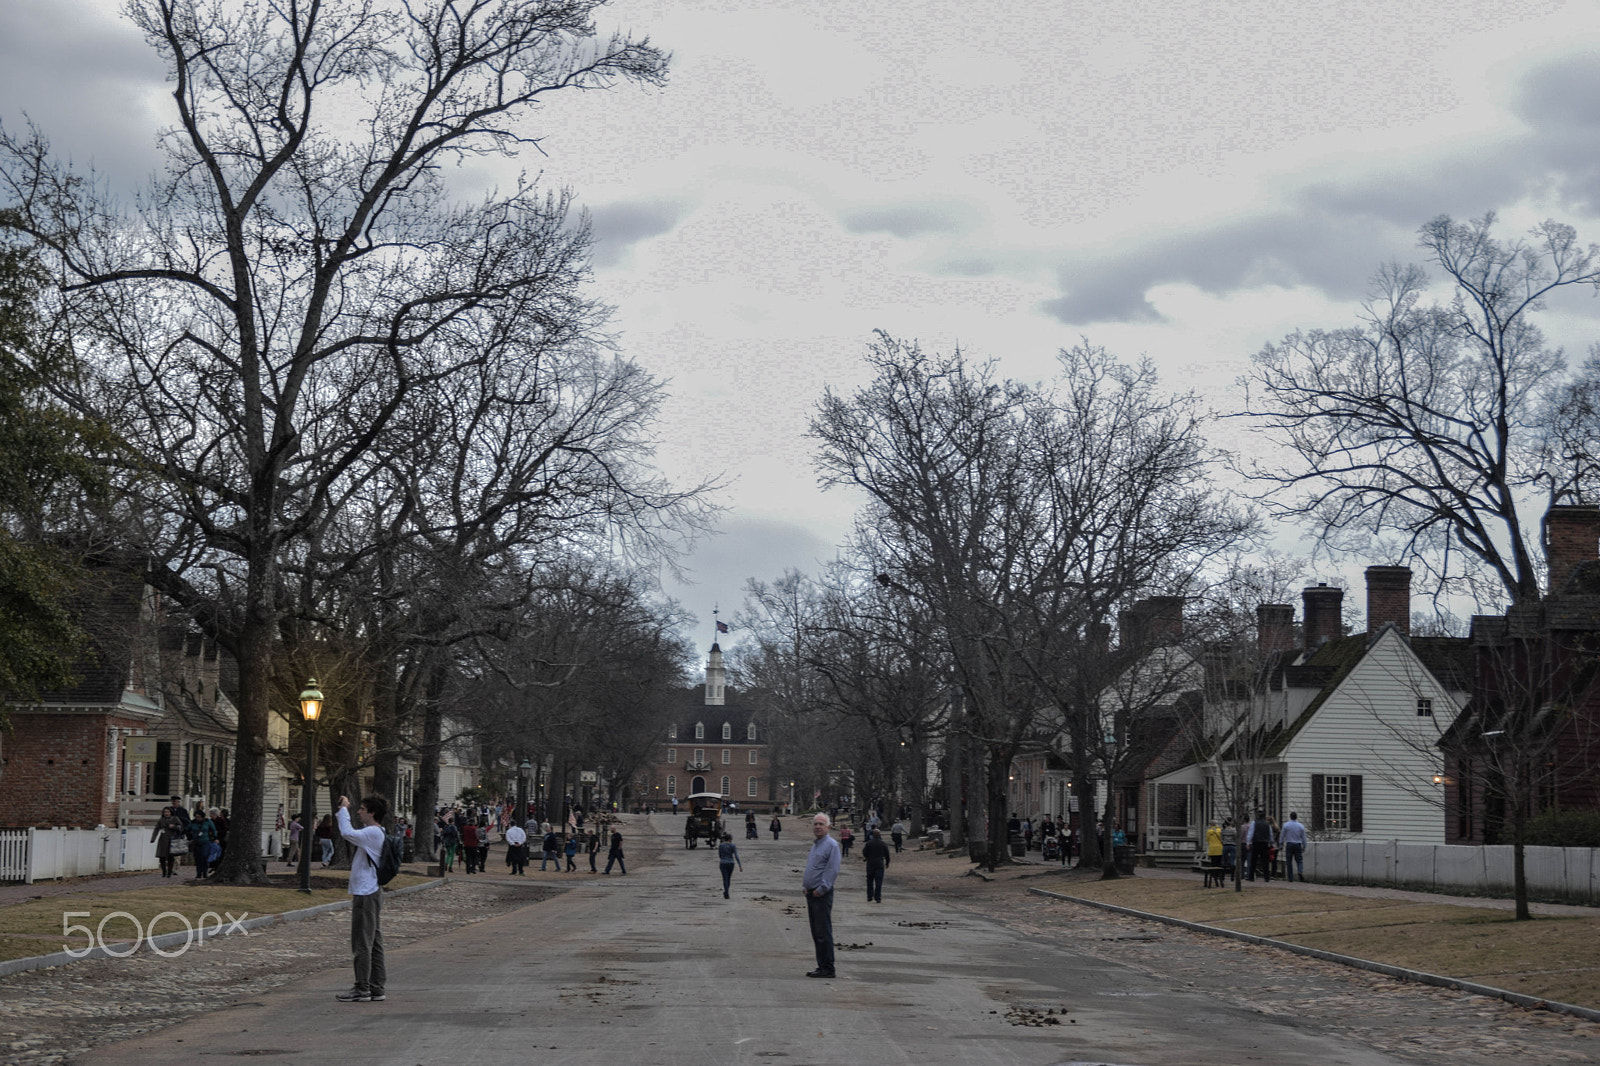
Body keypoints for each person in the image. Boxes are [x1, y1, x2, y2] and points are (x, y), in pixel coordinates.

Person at [335, 794, 388, 1003]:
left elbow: (346, 833)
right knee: (373, 940)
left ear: (372, 813)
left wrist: (343, 809)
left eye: (363, 809)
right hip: (370, 890)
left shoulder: (373, 832)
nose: (359, 812)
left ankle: (362, 987)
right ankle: (376, 986)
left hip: (366, 892)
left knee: (362, 941)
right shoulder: (376, 833)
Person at [801, 813, 841, 978]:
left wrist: (821, 889)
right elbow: (813, 867)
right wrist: (806, 886)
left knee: (823, 932)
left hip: (820, 895)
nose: (818, 827)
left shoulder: (832, 846)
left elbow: (832, 870)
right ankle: (821, 965)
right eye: (816, 824)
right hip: (811, 893)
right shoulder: (816, 845)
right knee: (816, 932)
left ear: (828, 827)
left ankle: (828, 968)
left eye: (821, 824)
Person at [152, 806, 184, 878]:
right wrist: (153, 838)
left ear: (170, 813)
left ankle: (170, 872)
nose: (166, 813)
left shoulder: (175, 819)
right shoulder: (161, 820)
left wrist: (173, 827)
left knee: (170, 857)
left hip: (171, 840)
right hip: (163, 839)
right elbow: (156, 829)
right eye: (165, 812)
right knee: (162, 857)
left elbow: (181, 827)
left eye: (168, 812)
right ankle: (164, 871)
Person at [1246, 808, 1275, 882]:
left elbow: (1250, 833)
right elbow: (1270, 834)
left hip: (1256, 842)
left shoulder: (1254, 823)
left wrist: (1248, 843)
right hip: (1265, 843)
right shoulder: (1267, 824)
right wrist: (1271, 842)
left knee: (1253, 860)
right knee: (1265, 861)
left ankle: (1251, 876)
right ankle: (1266, 877)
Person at [862, 828, 890, 903]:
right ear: (880, 835)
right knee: (879, 881)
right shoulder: (883, 843)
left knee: (869, 880)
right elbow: (887, 854)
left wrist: (867, 857)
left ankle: (869, 896)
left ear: (873, 835)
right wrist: (887, 863)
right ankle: (878, 897)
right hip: (880, 863)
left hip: (870, 863)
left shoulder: (869, 843)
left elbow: (864, 852)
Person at [189, 809, 218, 879]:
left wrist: (214, 838)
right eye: (196, 817)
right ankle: (198, 873)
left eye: (199, 817)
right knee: (197, 858)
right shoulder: (192, 823)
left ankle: (205, 872)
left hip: (206, 841)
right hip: (196, 842)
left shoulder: (207, 822)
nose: (198, 819)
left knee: (204, 857)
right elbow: (188, 829)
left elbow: (213, 830)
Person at [1280, 811, 1308, 882]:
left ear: (1290, 817)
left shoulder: (1286, 825)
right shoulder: (1300, 826)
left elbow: (1282, 836)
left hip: (1289, 843)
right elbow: (1303, 837)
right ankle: (1300, 871)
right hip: (1298, 844)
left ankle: (1290, 877)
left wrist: (1281, 844)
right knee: (1299, 860)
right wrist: (1304, 845)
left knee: (1289, 861)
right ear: (1296, 817)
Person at [717, 832, 743, 899]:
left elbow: (720, 855)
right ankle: (726, 891)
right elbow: (736, 856)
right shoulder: (732, 846)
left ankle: (726, 892)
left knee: (725, 879)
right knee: (728, 878)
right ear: (730, 839)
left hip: (723, 863)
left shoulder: (721, 845)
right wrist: (740, 865)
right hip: (731, 863)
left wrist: (723, 859)